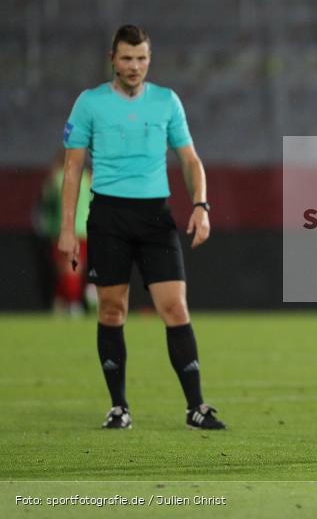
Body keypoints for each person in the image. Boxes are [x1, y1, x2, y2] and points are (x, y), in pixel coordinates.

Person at [58, 24, 225, 430]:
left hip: (155, 219)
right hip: (108, 217)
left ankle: (196, 407)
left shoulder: (166, 101)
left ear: (150, 60)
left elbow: (190, 160)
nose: (134, 66)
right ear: (112, 60)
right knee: (112, 310)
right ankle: (119, 407)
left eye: (141, 58)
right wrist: (67, 229)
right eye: (127, 58)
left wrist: (201, 205)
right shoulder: (90, 103)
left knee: (175, 307)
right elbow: (73, 168)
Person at [35, 149, 96, 316]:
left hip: (62, 231)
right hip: (83, 231)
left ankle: (71, 302)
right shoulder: (86, 178)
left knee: (67, 269)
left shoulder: (56, 178)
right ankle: (71, 301)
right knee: (75, 268)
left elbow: (46, 202)